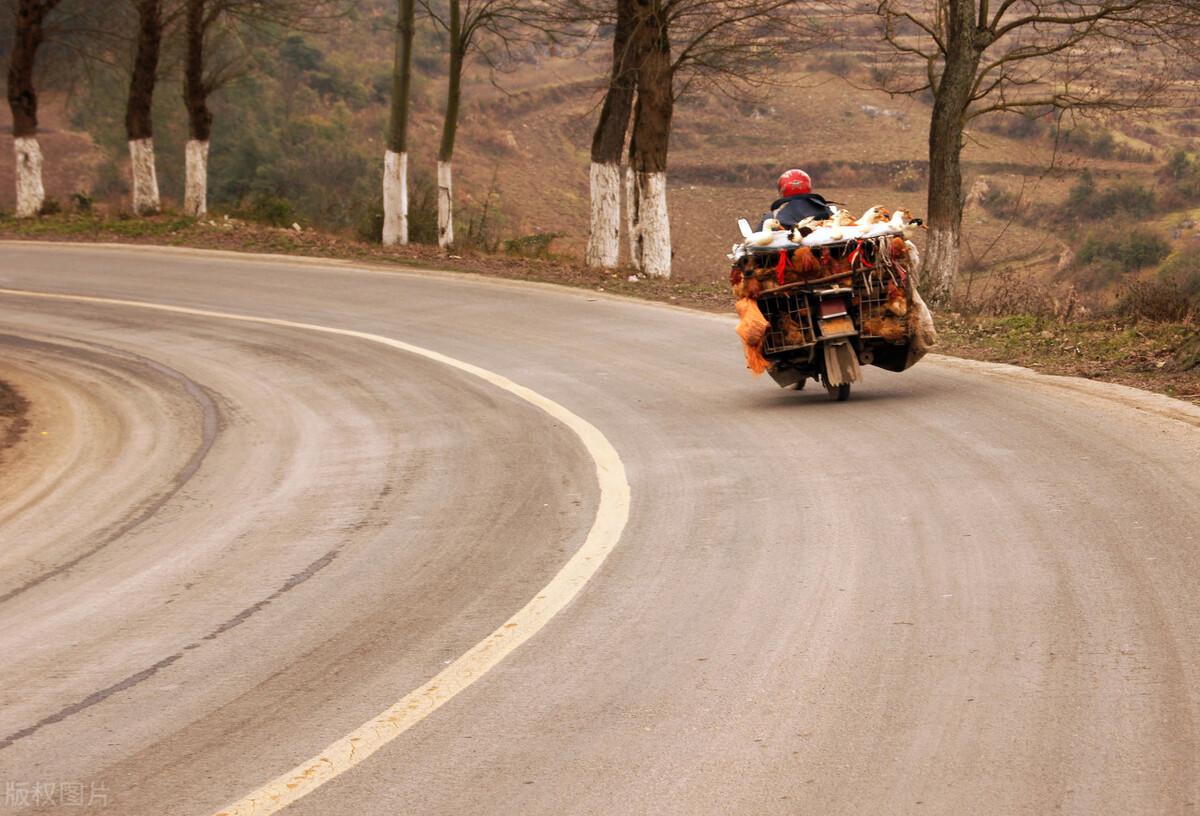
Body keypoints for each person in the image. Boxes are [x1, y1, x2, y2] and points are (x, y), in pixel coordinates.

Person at [760, 169, 833, 229]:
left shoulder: (771, 217)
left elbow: (757, 242)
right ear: (808, 186)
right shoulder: (825, 209)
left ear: (782, 190)